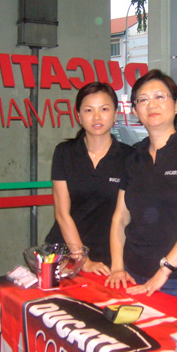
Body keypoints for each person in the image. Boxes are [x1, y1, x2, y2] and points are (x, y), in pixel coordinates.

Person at [105, 70, 177, 305]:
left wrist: (164, 270)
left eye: (160, 96)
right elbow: (120, 218)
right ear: (135, 111)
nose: (151, 104)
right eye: (143, 99)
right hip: (131, 273)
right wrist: (117, 267)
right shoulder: (133, 157)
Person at [45, 82, 134, 275]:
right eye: (88, 110)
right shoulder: (65, 153)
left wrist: (117, 264)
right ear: (79, 116)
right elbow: (62, 214)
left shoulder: (130, 157)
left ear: (115, 114)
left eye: (104, 109)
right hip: (66, 255)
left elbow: (125, 217)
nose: (97, 117)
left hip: (111, 258)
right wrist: (83, 260)